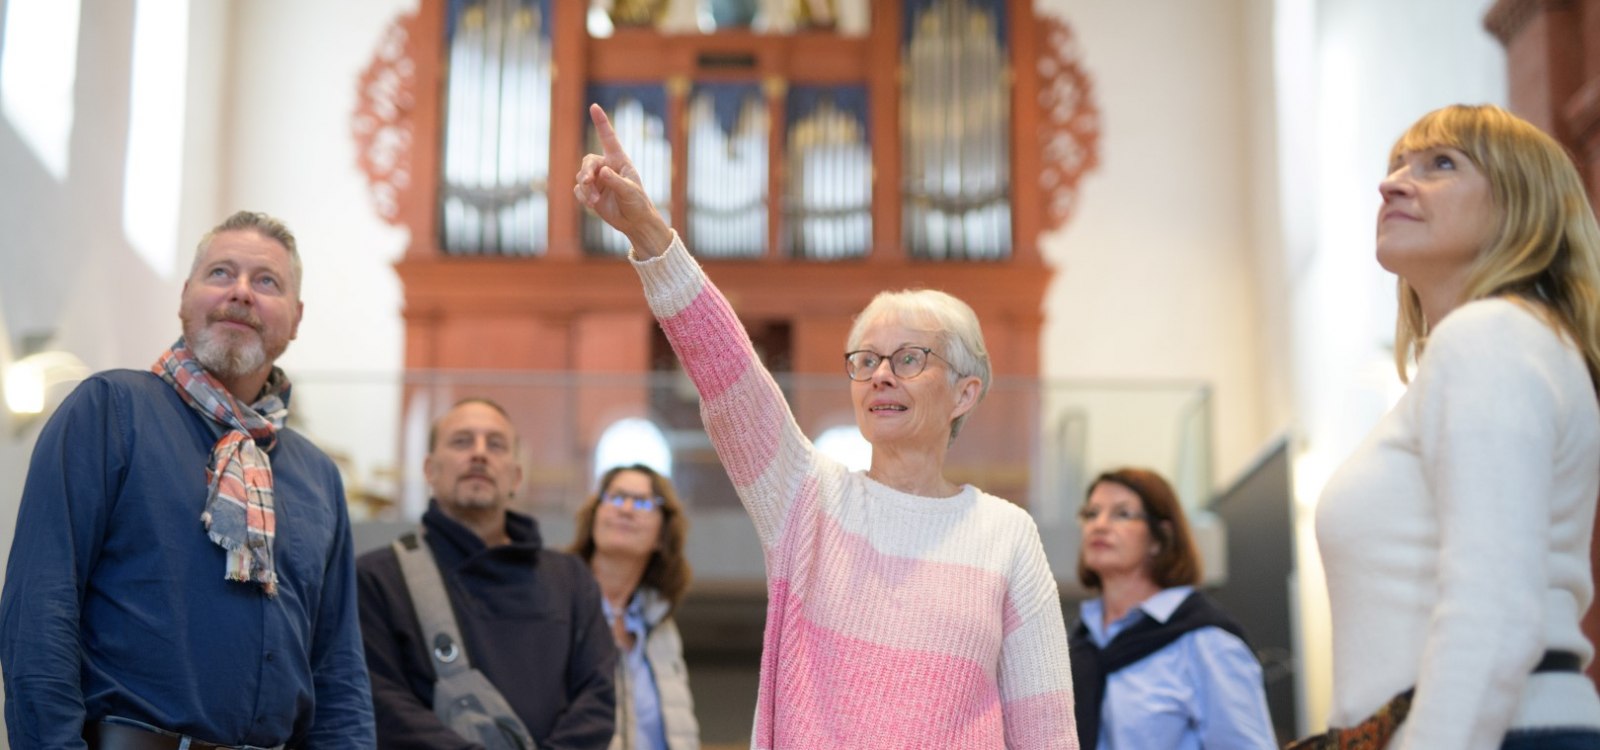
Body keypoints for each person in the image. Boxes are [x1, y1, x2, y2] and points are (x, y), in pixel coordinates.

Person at [576, 102, 1077, 749]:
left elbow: (1046, 733)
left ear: (965, 391)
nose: (881, 376)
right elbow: (729, 375)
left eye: (909, 358)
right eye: (865, 360)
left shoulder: (1007, 536)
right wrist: (650, 236)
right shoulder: (808, 498)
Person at [0, 211, 376, 748]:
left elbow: (338, 672)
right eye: (221, 273)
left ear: (295, 319)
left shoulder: (317, 477)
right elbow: (39, 609)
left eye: (266, 281)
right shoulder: (111, 412)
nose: (241, 293)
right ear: (185, 298)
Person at [1310, 104, 1600, 749]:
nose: (1393, 184)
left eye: (1442, 164)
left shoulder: (1491, 335)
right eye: (1396, 166)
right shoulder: (1502, 343)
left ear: (1522, 206)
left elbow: (1494, 613)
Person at [357, 397, 617, 749]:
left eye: (496, 444)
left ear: (516, 476)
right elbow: (383, 703)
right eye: (462, 441)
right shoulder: (377, 580)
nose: (479, 454)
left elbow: (597, 699)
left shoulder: (571, 580)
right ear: (430, 470)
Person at [1067, 467, 1275, 749]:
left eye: (1122, 514)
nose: (1099, 525)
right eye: (1091, 514)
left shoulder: (1206, 641)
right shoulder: (1080, 643)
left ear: (1159, 537)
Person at [570, 464, 701, 750]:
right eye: (615, 497)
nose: (626, 509)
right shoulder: (559, 604)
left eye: (642, 502)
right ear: (595, 516)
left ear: (662, 535)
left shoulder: (661, 625)